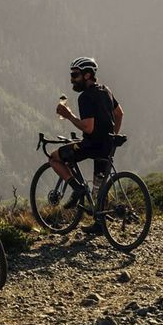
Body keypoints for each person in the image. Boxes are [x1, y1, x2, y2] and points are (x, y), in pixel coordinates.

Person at [48, 57, 123, 211]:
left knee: (53, 157)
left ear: (87, 75)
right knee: (98, 190)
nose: (72, 80)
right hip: (107, 146)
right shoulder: (106, 90)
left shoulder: (85, 97)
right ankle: (99, 222)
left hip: (91, 146)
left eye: (75, 75)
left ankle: (77, 188)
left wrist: (69, 115)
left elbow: (88, 128)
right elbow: (119, 114)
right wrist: (112, 136)